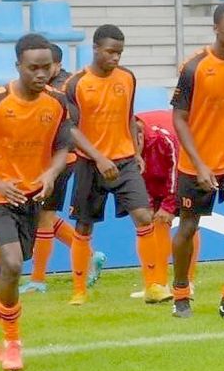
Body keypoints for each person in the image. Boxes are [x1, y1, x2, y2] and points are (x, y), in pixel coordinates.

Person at [0, 33, 73, 371]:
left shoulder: (56, 103)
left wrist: (51, 174)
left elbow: (61, 147)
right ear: (18, 67)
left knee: (11, 273)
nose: (41, 75)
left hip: (29, 195)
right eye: (33, 68)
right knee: (10, 264)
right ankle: (13, 344)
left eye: (46, 68)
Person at [63, 25, 168, 306]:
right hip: (90, 164)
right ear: (95, 48)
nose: (116, 58)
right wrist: (98, 157)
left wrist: (136, 152)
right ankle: (79, 290)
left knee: (144, 217)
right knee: (84, 227)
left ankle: (153, 286)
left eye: (119, 53)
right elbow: (70, 128)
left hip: (123, 162)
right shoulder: (76, 84)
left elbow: (129, 117)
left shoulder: (127, 78)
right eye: (110, 52)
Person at [170, 3, 224, 320]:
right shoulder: (194, 67)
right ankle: (180, 293)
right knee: (188, 227)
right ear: (216, 28)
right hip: (197, 163)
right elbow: (178, 118)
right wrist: (201, 164)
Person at [20, 43, 105, 294]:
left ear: (56, 66)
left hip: (61, 160)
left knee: (44, 217)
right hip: (56, 160)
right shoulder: (60, 86)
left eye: (46, 66)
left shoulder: (60, 90)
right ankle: (91, 255)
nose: (41, 72)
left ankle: (38, 279)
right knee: (43, 216)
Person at [130, 109, 200, 299]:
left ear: (141, 135)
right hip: (155, 174)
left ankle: (188, 281)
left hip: (188, 164)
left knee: (188, 220)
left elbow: (177, 172)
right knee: (154, 220)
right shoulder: (125, 145)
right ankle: (157, 284)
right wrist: (150, 203)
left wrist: (169, 205)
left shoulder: (164, 139)